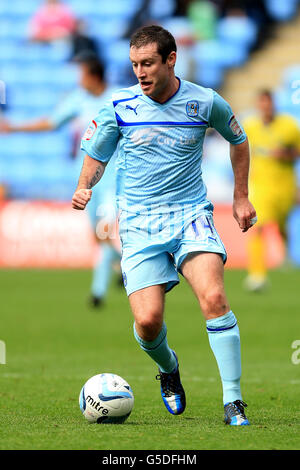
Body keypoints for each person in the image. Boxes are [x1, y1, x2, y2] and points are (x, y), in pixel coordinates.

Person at [72, 25, 256, 425]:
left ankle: (233, 400)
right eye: (135, 64)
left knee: (214, 299)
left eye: (148, 63)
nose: (140, 72)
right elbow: (95, 155)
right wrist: (85, 186)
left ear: (171, 59)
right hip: (138, 224)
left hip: (191, 215)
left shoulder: (205, 102)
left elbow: (238, 140)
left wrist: (240, 196)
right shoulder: (119, 107)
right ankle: (169, 367)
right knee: (148, 321)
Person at [0, 52, 121, 308]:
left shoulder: (119, 99)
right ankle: (121, 266)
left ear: (94, 76)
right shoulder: (79, 100)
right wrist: (15, 127)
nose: (79, 79)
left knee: (105, 231)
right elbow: (52, 122)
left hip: (114, 178)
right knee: (98, 237)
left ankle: (98, 293)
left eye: (82, 74)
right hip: (87, 179)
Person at [243, 89, 300, 291]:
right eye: (262, 103)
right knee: (257, 227)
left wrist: (285, 154)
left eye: (268, 103)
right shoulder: (251, 126)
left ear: (273, 104)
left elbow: (297, 152)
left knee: (282, 225)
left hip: (284, 185)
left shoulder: (289, 126)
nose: (265, 107)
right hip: (261, 186)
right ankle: (257, 275)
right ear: (258, 106)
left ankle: (285, 254)